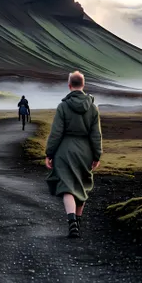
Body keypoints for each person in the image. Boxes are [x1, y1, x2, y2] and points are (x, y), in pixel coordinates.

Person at [45, 71, 102, 238]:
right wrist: (97, 155)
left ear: (69, 85)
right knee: (82, 185)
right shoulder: (93, 108)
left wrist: (49, 153)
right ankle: (78, 221)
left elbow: (56, 133)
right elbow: (96, 135)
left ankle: (72, 223)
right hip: (86, 151)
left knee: (67, 186)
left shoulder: (63, 106)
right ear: (83, 85)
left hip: (65, 150)